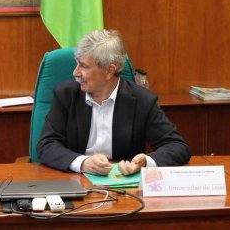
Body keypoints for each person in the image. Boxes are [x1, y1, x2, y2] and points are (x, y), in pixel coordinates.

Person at [37, 29, 191, 176]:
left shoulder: (142, 100)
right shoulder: (65, 95)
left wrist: (146, 162)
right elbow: (46, 145)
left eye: (83, 66)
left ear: (109, 71)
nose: (75, 73)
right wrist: (83, 163)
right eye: (77, 64)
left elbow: (177, 146)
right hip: (75, 181)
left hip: (125, 188)